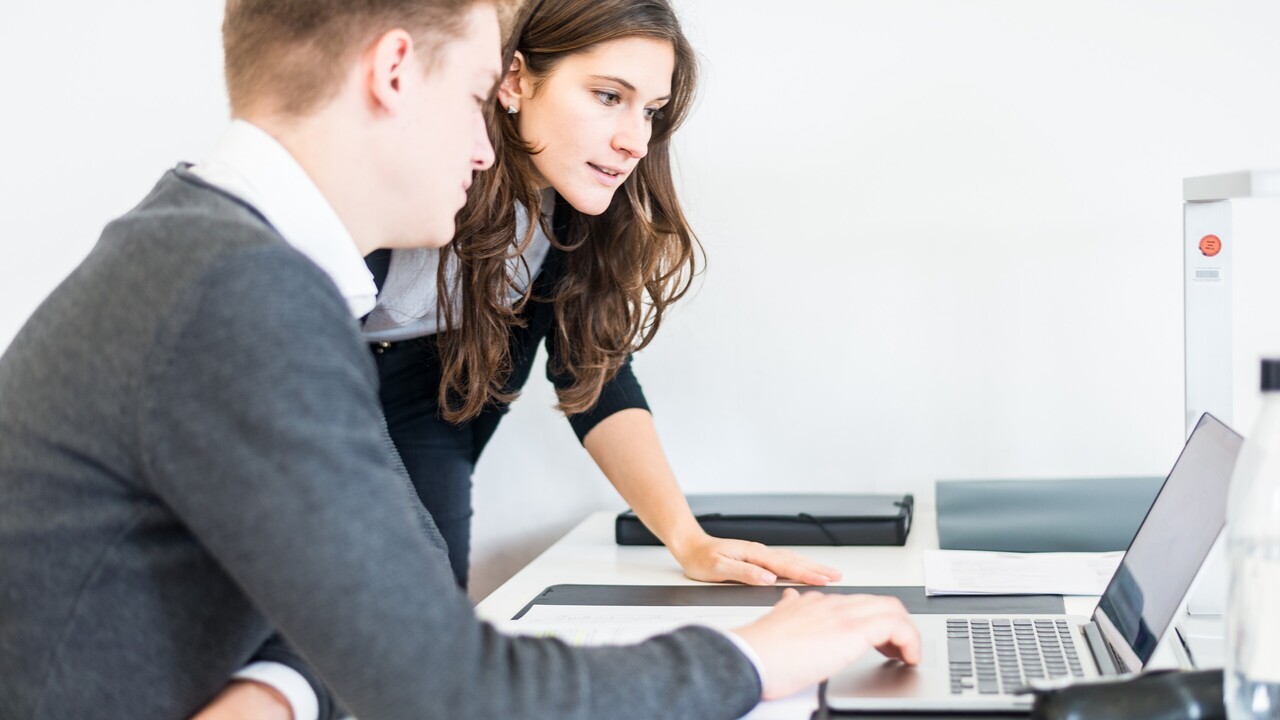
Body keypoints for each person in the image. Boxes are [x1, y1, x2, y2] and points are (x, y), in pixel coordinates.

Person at [0, 1, 919, 718]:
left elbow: (379, 623)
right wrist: (755, 658)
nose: (486, 144)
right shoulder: (246, 295)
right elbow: (451, 693)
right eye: (481, 89)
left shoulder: (203, 252)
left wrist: (280, 690)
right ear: (395, 71)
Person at [364, 0, 841, 591]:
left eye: (651, 111)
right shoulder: (401, 163)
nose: (635, 141)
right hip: (315, 371)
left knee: (425, 615)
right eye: (609, 96)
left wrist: (687, 539)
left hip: (429, 400)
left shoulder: (574, 212)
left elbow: (595, 378)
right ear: (515, 79)